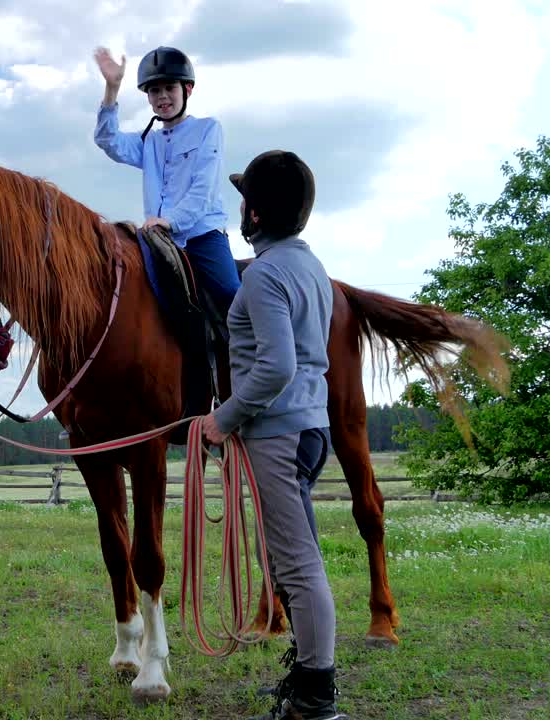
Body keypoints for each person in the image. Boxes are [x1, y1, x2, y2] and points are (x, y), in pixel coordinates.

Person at [200, 150, 347, 720]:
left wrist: (224, 417)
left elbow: (277, 365)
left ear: (255, 214)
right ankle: (309, 677)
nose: (239, 209)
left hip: (278, 435)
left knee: (297, 565)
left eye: (243, 200)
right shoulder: (309, 265)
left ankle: (316, 699)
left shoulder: (262, 276)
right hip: (310, 426)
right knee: (296, 560)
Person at [92, 45, 241, 318]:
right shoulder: (149, 140)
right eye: (154, 90)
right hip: (158, 240)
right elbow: (108, 140)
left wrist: (170, 221)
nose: (162, 96)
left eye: (169, 87)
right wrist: (112, 89)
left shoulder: (208, 129)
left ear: (188, 89)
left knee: (231, 296)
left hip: (202, 236)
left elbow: (203, 190)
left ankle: (251, 357)